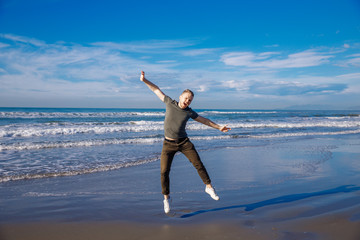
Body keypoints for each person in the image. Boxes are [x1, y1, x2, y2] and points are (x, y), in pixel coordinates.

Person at [140, 71, 231, 214]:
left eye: (190, 100)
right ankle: (166, 198)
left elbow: (204, 120)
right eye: (186, 98)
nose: (187, 101)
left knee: (198, 163)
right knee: (164, 172)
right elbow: (156, 89)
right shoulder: (169, 102)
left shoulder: (189, 112)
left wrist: (219, 127)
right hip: (168, 144)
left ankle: (208, 187)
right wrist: (145, 80)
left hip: (184, 142)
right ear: (180, 96)